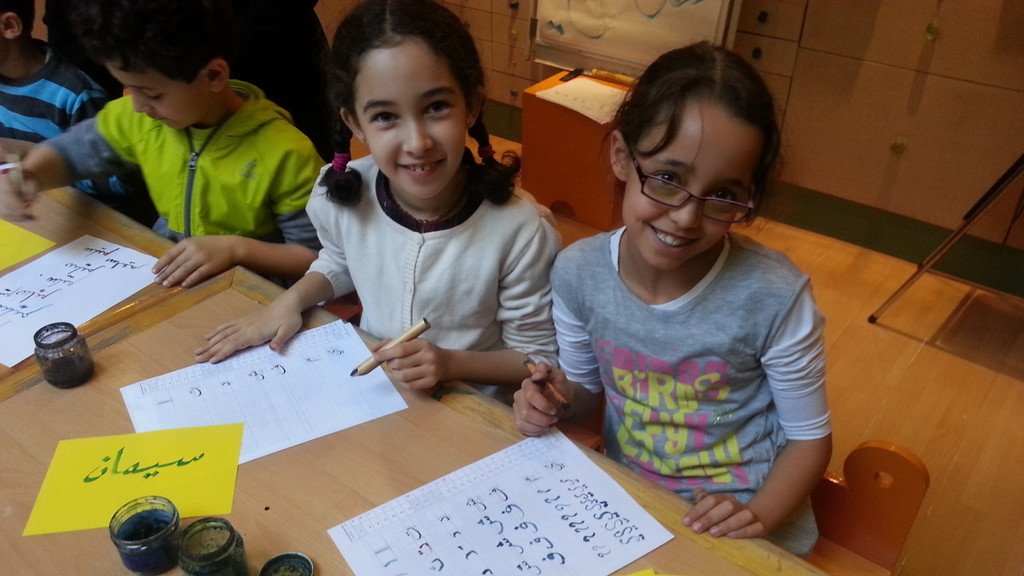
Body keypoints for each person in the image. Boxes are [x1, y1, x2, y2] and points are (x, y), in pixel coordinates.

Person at [512, 42, 832, 556]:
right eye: (667, 178)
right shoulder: (577, 273)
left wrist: (756, 518)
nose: (686, 216)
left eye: (723, 195)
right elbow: (586, 393)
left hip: (745, 522)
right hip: (634, 510)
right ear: (622, 156)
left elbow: (809, 440)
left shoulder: (774, 294)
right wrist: (552, 400)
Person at [195, 0, 560, 399]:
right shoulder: (343, 197)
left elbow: (536, 358)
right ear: (354, 123)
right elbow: (339, 260)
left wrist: (450, 364)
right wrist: (290, 301)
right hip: (380, 396)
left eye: (436, 107)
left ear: (471, 106)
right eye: (386, 116)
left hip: (472, 412)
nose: (417, 143)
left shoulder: (521, 229)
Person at [0, 0, 322, 289]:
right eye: (129, 88)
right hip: (173, 277)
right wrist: (30, 174)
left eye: (152, 94)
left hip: (253, 294)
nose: (138, 105)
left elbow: (317, 258)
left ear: (213, 76)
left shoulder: (285, 154)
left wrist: (236, 249)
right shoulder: (140, 119)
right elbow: (73, 153)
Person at [0, 0, 152, 223]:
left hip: (85, 221)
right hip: (32, 214)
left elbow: (119, 183)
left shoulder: (75, 94)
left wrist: (37, 162)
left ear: (9, 26)